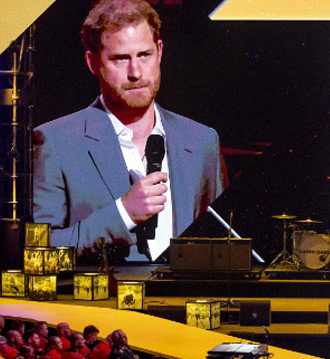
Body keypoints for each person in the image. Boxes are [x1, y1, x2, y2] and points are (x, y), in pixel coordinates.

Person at [32, 0, 226, 264]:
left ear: (159, 51)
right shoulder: (55, 142)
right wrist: (123, 213)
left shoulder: (202, 141)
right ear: (92, 62)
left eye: (144, 55)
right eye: (120, 58)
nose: (135, 72)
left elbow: (224, 244)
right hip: (99, 303)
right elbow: (41, 253)